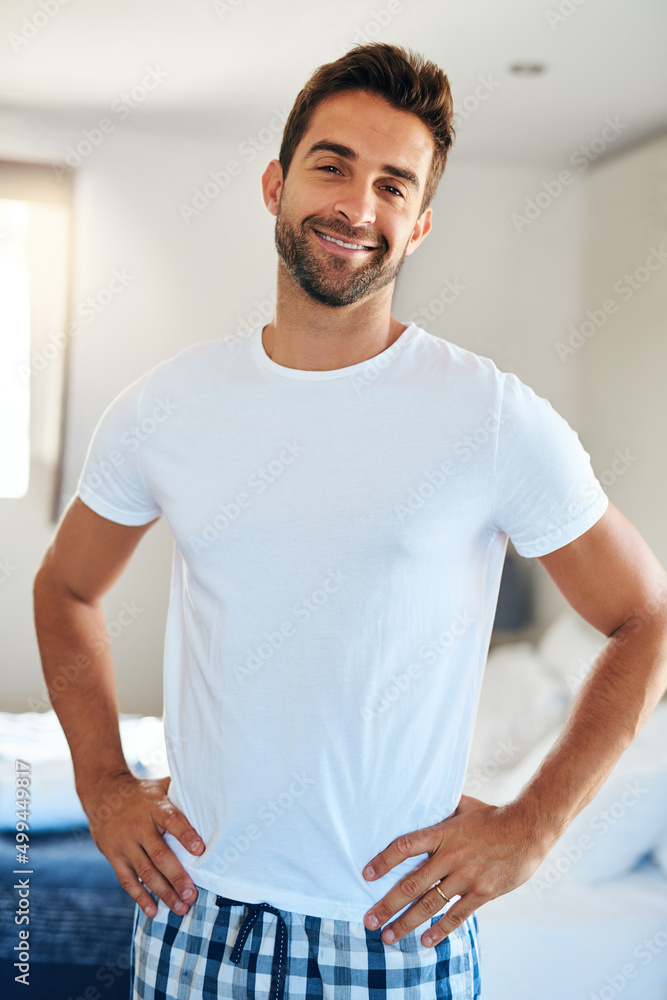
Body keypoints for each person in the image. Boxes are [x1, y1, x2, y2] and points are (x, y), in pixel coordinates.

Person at [33, 41, 667, 1000]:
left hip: (392, 932)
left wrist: (531, 827)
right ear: (275, 182)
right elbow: (65, 587)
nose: (356, 207)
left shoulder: (490, 418)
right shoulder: (165, 407)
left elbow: (644, 616)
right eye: (331, 166)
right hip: (193, 916)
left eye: (392, 186)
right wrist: (100, 784)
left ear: (417, 229)